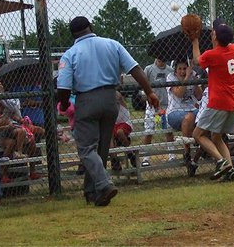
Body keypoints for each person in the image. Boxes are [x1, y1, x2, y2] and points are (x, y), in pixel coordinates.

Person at [57, 16, 159, 207]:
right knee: (102, 149)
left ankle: (103, 184)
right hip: (111, 99)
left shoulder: (70, 54)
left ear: (73, 35)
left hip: (86, 100)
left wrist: (63, 105)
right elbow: (135, 69)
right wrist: (150, 92)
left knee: (87, 149)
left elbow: (63, 87)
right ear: (91, 27)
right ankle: (92, 192)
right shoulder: (112, 44)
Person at [192, 19, 234, 181]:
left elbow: (198, 60)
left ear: (216, 38)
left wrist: (195, 40)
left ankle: (221, 162)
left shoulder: (213, 55)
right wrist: (216, 39)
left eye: (214, 32)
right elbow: (219, 50)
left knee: (197, 134)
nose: (212, 32)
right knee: (217, 137)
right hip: (232, 101)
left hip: (218, 101)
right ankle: (231, 169)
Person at [166, 59, 202, 176]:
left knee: (205, 117)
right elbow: (179, 93)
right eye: (179, 69)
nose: (182, 71)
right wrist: (186, 78)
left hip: (192, 109)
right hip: (175, 112)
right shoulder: (171, 77)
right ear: (175, 70)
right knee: (189, 117)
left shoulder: (192, 76)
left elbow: (200, 96)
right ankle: (187, 153)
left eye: (185, 68)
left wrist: (195, 80)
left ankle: (194, 160)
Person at [141, 58, 175, 167]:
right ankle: (145, 158)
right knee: (149, 131)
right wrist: (148, 98)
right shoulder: (149, 69)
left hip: (166, 105)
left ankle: (172, 156)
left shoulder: (170, 70)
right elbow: (143, 87)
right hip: (152, 106)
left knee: (168, 131)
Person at [109, 91, 136, 170]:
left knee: (120, 131)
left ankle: (130, 154)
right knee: (108, 134)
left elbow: (118, 96)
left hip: (124, 123)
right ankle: (114, 160)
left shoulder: (120, 101)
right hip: (113, 125)